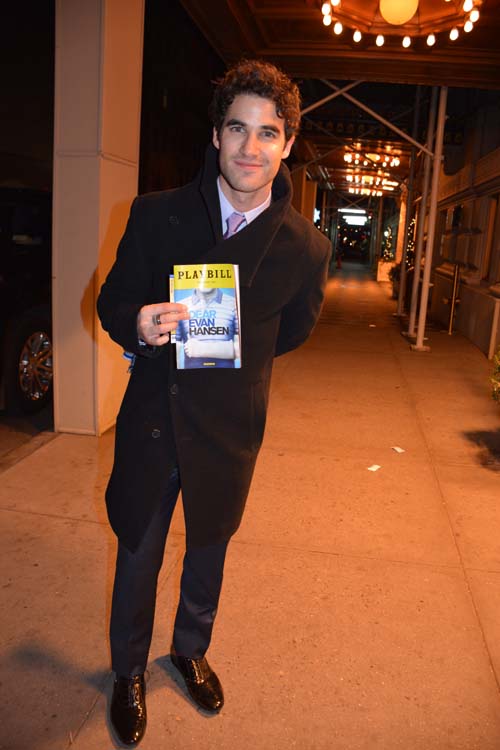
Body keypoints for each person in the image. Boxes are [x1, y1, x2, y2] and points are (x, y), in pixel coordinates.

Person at [97, 58, 331, 746]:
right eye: (238, 129)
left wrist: (237, 370)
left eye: (267, 133)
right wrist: (139, 323)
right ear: (216, 136)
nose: (250, 148)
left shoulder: (305, 248)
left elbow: (292, 331)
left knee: (209, 548)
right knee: (138, 550)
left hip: (229, 427)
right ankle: (128, 671)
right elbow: (113, 301)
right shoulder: (156, 213)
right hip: (153, 420)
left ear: (287, 144)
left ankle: (190, 650)